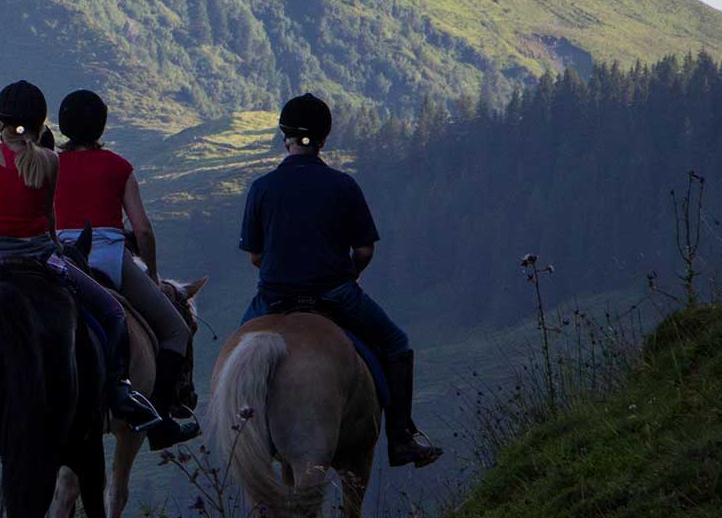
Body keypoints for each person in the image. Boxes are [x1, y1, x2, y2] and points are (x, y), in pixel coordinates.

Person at [0, 80, 182, 445]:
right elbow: (141, 231)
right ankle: (145, 407)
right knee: (147, 323)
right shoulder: (75, 163)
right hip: (85, 255)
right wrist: (155, 272)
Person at [239, 93, 440, 467]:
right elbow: (363, 250)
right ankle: (401, 439)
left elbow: (255, 255)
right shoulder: (343, 185)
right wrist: (347, 275)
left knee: (235, 360)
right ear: (323, 138)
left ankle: (240, 437)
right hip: (334, 294)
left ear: (284, 135)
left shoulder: (262, 188)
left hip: (274, 297)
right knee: (397, 346)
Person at [53, 89, 200, 445]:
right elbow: (143, 229)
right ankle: (160, 420)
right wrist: (151, 272)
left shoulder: (48, 163)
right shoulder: (118, 167)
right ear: (101, 125)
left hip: (58, 257)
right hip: (106, 256)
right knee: (177, 331)